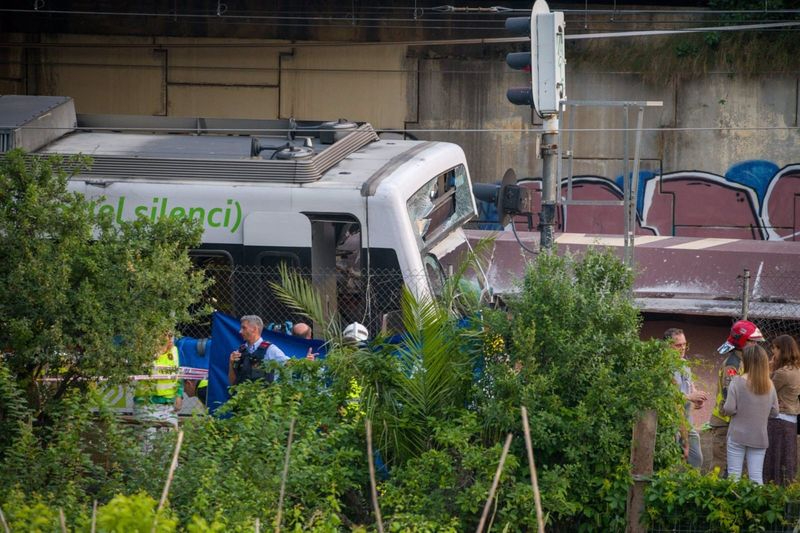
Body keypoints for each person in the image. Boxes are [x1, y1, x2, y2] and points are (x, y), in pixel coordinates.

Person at [709, 319, 765, 476]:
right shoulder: (733, 364)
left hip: (737, 422)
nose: (756, 345)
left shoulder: (745, 361)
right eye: (753, 342)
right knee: (720, 468)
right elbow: (730, 395)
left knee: (736, 469)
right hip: (725, 422)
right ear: (742, 341)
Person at [722, 344, 778, 484]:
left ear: (746, 361)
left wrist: (738, 411)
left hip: (737, 434)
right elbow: (775, 411)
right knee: (756, 477)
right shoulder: (769, 385)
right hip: (759, 436)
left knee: (733, 477)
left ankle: (732, 504)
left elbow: (728, 408)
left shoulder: (737, 381)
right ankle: (756, 505)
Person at [665, 328, 707, 469]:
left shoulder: (684, 363)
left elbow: (690, 386)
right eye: (678, 345)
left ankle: (691, 487)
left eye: (684, 344)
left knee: (696, 460)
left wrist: (696, 397)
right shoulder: (664, 367)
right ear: (668, 346)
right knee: (672, 463)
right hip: (671, 423)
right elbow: (668, 397)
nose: (682, 348)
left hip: (687, 422)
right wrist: (690, 396)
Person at [763, 335, 800, 485]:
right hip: (791, 421)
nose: (773, 352)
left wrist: (769, 368)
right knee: (787, 460)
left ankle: (772, 491)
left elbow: (765, 390)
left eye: (774, 348)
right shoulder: (797, 370)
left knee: (774, 459)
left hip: (779, 421)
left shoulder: (783, 373)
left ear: (782, 350)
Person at [133, 331, 183, 429]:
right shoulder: (143, 351)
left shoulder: (174, 351)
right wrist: (160, 351)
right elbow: (148, 370)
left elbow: (179, 374)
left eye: (170, 336)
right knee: (147, 443)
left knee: (170, 442)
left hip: (169, 405)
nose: (169, 339)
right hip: (146, 404)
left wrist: (179, 395)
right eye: (165, 336)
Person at [228, 315, 290, 386]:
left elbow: (289, 365)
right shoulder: (240, 351)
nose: (240, 331)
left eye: (244, 328)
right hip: (242, 396)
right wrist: (231, 363)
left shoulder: (270, 350)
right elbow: (232, 383)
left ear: (254, 329)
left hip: (264, 396)